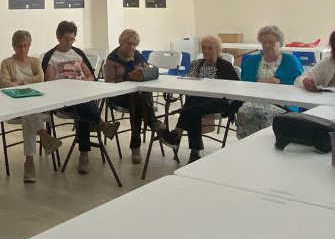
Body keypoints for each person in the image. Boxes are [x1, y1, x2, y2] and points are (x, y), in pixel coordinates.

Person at [40, 20, 119, 174]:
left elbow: (91, 76)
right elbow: (48, 85)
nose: (70, 42)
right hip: (62, 100)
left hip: (82, 94)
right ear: (58, 38)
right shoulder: (51, 57)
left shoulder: (78, 53)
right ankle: (100, 127)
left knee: (83, 105)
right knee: (84, 106)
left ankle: (84, 154)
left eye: (72, 39)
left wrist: (80, 83)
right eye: (66, 39)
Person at [0, 29, 63, 183]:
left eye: (26, 45)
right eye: (19, 46)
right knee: (29, 111)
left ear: (30, 45)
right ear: (13, 46)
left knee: (29, 114)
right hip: (14, 103)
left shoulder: (34, 61)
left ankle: (30, 162)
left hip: (35, 102)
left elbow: (41, 78)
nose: (23, 49)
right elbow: (5, 83)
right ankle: (44, 137)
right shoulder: (6, 63)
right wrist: (26, 83)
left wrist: (21, 82)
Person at [101, 29, 179, 163]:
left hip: (138, 97)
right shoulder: (112, 59)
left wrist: (144, 73)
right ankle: (158, 127)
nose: (132, 47)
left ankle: (135, 146)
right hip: (119, 96)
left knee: (137, 104)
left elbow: (149, 73)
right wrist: (128, 77)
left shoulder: (137, 56)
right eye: (128, 44)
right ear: (121, 42)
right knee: (138, 103)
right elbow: (109, 84)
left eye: (134, 45)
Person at [167, 35, 241, 163]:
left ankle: (178, 134)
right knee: (194, 108)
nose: (206, 51)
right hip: (198, 102)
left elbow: (235, 91)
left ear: (218, 50)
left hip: (220, 102)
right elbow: (189, 84)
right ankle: (194, 153)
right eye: (204, 48)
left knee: (192, 106)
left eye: (210, 48)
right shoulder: (196, 64)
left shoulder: (225, 65)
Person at [235, 25, 304, 138]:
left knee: (263, 114)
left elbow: (296, 86)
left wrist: (276, 84)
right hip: (255, 99)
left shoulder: (291, 61)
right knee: (244, 112)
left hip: (282, 101)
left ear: (279, 43)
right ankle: (247, 145)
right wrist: (262, 82)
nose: (267, 45)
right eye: (264, 42)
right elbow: (245, 84)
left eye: (271, 42)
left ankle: (269, 145)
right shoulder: (252, 61)